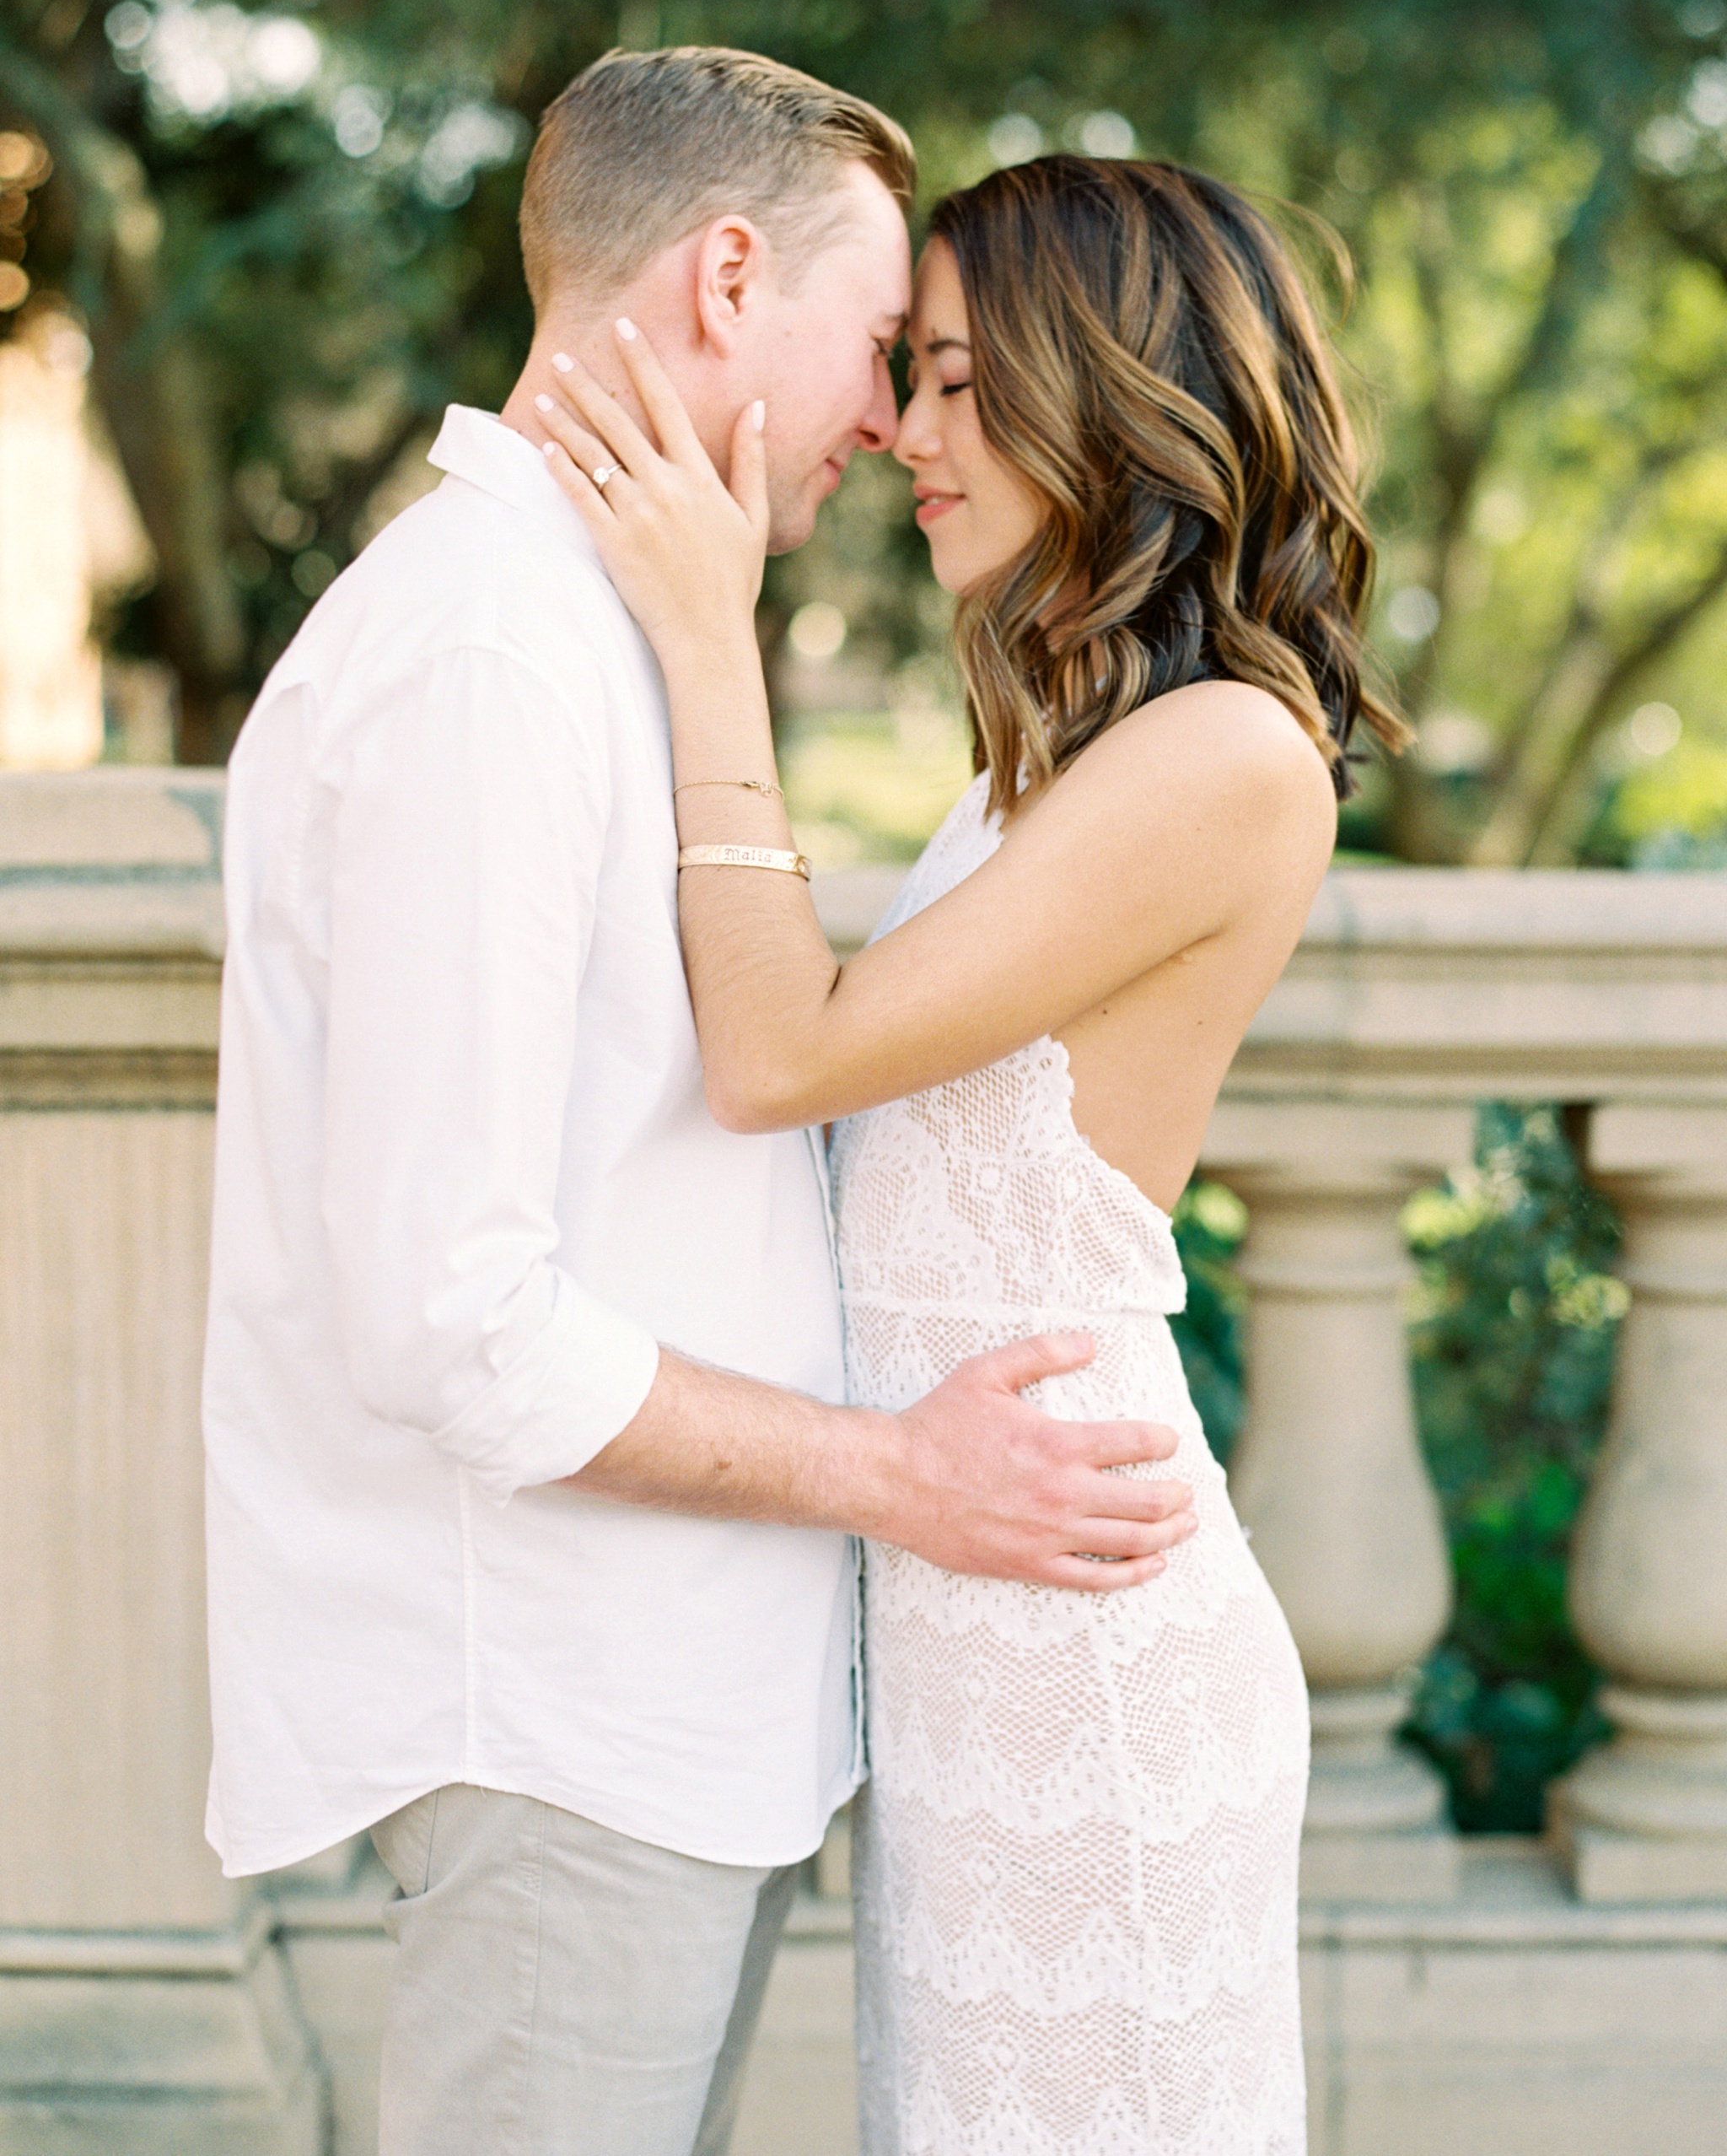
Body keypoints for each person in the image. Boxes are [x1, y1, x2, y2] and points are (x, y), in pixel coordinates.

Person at [201, 52, 1199, 2156]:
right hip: (566, 1717)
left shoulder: (604, 634)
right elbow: (449, 1309)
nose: (889, 420)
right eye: (879, 351)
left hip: (659, 1710)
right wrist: (895, 1473)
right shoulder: (493, 654)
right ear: (727, 278)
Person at [537, 148, 1409, 2154]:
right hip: (971, 1607)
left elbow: (780, 1055)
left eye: (947, 379)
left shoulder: (1226, 754)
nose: (899, 430)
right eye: (904, 377)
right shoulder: (1066, 748)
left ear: (1098, 388)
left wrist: (705, 641)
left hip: (1085, 1638)